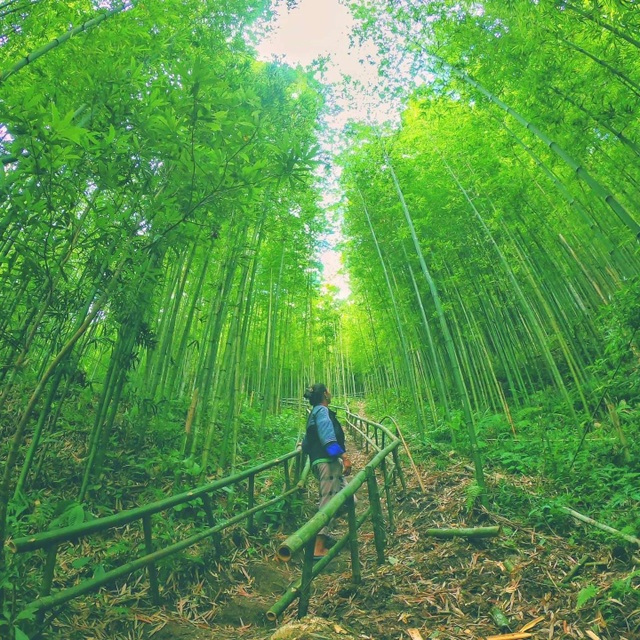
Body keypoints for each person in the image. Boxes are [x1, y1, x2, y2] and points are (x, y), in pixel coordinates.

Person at [301, 383, 352, 559]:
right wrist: (344, 457)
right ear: (324, 394)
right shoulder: (321, 412)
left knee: (349, 499)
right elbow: (328, 439)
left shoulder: (314, 413)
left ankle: (322, 530)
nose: (330, 393)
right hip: (327, 462)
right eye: (328, 390)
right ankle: (317, 547)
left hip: (323, 462)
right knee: (328, 503)